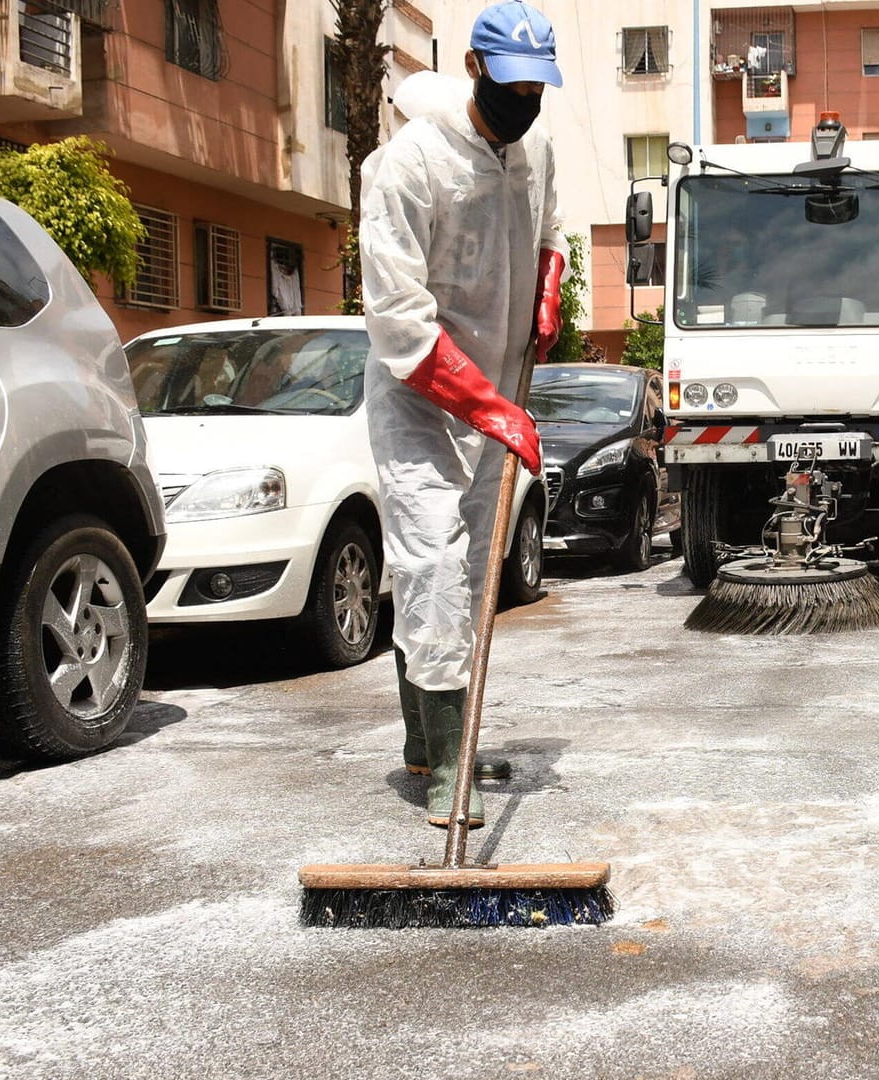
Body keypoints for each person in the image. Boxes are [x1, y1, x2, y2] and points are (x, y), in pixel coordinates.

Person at [360, 1, 569, 829]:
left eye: (538, 89)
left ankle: (430, 739)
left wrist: (549, 290)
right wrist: (489, 408)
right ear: (477, 69)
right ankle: (446, 765)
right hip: (421, 398)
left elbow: (551, 230)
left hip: (496, 395)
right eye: (514, 86)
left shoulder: (537, 149)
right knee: (434, 566)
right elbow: (400, 323)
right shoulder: (409, 164)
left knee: (474, 566)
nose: (526, 103)